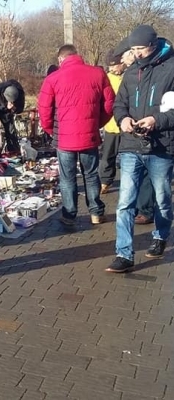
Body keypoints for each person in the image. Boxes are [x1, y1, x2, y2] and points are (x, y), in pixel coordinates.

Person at [108, 25, 174, 273]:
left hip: (161, 146)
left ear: (153, 45)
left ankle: (160, 236)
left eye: (140, 49)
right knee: (125, 202)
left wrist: (156, 120)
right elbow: (119, 104)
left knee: (162, 198)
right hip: (131, 145)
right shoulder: (131, 71)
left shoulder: (171, 68)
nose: (135, 54)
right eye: (132, 49)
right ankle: (124, 254)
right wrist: (123, 119)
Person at [37, 44, 115, 226]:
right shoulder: (98, 74)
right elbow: (109, 104)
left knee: (67, 177)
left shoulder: (53, 78)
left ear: (60, 59)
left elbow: (44, 110)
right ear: (77, 56)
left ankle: (69, 215)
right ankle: (96, 212)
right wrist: (96, 124)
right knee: (91, 174)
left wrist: (51, 130)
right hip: (89, 136)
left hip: (64, 138)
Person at [99, 40, 135, 194]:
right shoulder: (106, 78)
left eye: (115, 64)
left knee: (130, 156)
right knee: (108, 155)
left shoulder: (130, 75)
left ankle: (133, 181)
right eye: (111, 65)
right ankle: (106, 181)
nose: (114, 68)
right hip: (112, 124)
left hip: (129, 123)